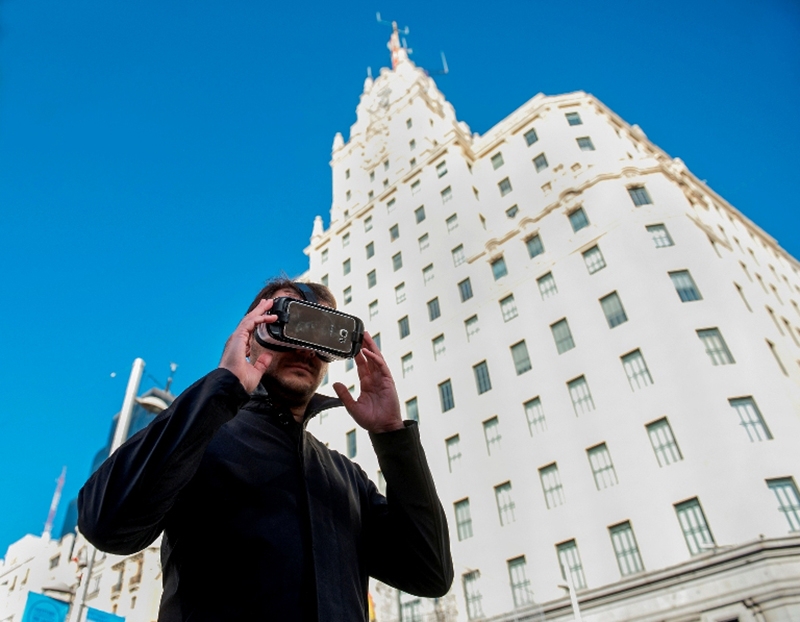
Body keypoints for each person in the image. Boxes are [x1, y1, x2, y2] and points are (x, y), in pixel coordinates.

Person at [78, 278, 454, 622]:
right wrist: (221, 388)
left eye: (322, 336)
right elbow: (105, 524)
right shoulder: (201, 435)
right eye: (289, 325)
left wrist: (392, 435)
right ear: (252, 333)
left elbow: (430, 573)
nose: (306, 348)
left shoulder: (347, 479)